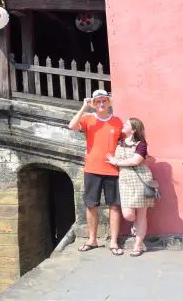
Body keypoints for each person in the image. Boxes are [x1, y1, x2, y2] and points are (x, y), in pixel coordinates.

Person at [68, 89, 125, 256]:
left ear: (108, 102)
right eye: (98, 101)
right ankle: (92, 239)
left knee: (114, 206)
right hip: (92, 168)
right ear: (93, 103)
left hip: (112, 169)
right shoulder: (88, 119)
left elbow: (125, 140)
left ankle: (113, 241)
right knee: (91, 205)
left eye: (104, 101)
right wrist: (83, 107)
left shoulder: (117, 122)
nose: (101, 104)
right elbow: (71, 126)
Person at [106, 118, 155, 257]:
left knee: (142, 214)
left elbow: (136, 160)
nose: (123, 125)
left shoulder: (141, 144)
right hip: (125, 181)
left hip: (141, 180)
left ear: (133, 130)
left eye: (126, 124)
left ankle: (138, 245)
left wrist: (116, 162)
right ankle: (135, 225)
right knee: (128, 214)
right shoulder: (120, 142)